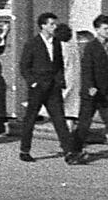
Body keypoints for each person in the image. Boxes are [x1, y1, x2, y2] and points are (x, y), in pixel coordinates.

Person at [15, 11, 76, 164]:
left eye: (55, 24)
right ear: (43, 26)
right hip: (38, 87)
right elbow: (24, 66)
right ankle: (24, 150)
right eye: (51, 24)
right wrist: (33, 82)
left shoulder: (56, 43)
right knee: (30, 119)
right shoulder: (32, 43)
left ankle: (69, 152)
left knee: (59, 119)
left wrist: (61, 81)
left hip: (53, 87)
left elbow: (59, 63)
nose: (54, 27)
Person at [70, 14, 108, 162]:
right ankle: (74, 151)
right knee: (84, 123)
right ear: (97, 30)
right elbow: (86, 69)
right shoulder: (91, 47)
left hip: (106, 92)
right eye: (105, 28)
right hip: (91, 92)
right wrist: (90, 86)